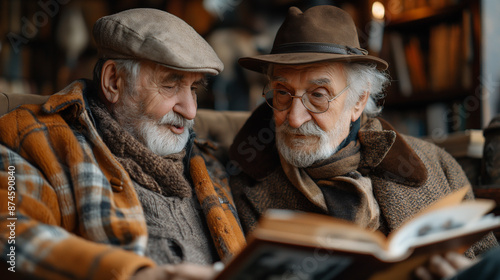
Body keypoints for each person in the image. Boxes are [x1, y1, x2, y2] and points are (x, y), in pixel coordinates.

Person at [229, 4, 497, 259]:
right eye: (282, 93)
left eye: (318, 95)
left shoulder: (439, 165)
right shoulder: (238, 184)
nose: (295, 119)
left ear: (358, 101)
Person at [0, 8, 245, 280]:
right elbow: (10, 234)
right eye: (170, 85)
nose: (190, 110)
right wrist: (139, 275)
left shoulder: (209, 163)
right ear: (113, 81)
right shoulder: (35, 138)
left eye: (194, 89)